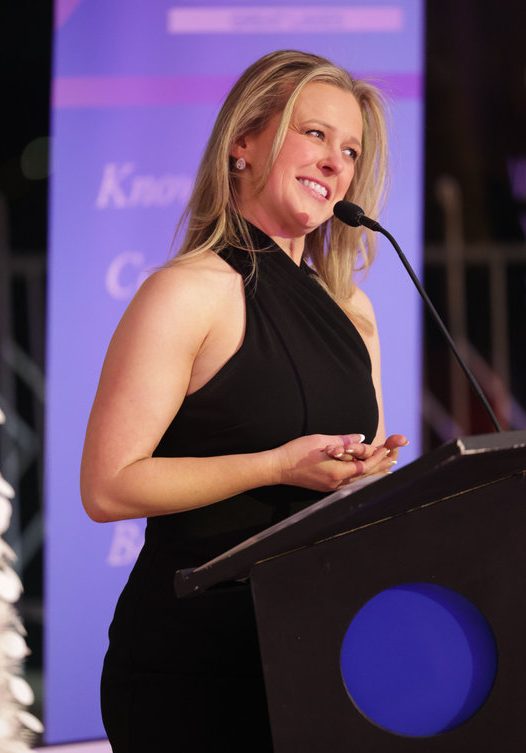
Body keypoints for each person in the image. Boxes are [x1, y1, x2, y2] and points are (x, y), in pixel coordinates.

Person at [80, 49, 408, 752]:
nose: (334, 162)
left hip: (318, 644)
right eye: (313, 134)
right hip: (195, 658)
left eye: (349, 150)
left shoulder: (352, 309)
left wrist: (363, 472)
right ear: (242, 143)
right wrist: (273, 466)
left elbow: (341, 482)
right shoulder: (188, 290)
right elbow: (107, 485)